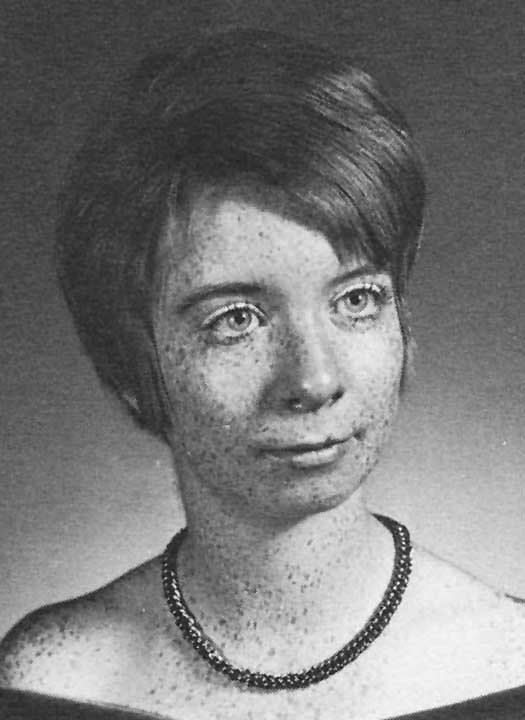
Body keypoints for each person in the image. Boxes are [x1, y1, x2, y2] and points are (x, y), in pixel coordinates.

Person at [0, 28, 524, 720]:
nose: (314, 379)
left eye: (356, 300)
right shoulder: (53, 678)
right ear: (131, 363)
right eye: (237, 319)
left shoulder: (506, 656)